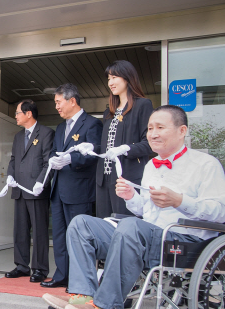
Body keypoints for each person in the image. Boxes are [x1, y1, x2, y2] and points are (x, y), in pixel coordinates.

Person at [42, 105, 225, 309]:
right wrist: (131, 197)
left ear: (182, 130)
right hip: (148, 236)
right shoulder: (151, 165)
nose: (153, 134)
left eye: (160, 128)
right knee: (81, 224)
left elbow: (219, 212)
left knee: (131, 226)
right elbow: (146, 212)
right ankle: (83, 297)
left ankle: (105, 305)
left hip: (183, 241)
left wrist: (179, 201)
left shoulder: (206, 164)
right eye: (149, 128)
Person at [41, 84, 102, 289]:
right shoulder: (60, 128)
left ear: (72, 101)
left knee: (78, 238)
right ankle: (61, 275)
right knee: (58, 235)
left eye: (59, 102)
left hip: (79, 190)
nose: (57, 107)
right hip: (59, 189)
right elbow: (55, 151)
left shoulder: (92, 124)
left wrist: (70, 160)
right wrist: (53, 160)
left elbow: (94, 154)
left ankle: (79, 280)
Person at [96, 60, 153, 218]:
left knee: (124, 226)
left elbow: (150, 144)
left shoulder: (142, 105)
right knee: (104, 227)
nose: (110, 83)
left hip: (125, 179)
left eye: (114, 77)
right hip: (104, 179)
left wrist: (127, 149)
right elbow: (106, 146)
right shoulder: (109, 112)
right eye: (108, 78)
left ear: (127, 77)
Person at [5, 99, 54, 283]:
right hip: (19, 189)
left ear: (28, 114)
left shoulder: (47, 133)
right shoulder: (18, 137)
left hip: (36, 191)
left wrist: (41, 182)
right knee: (20, 230)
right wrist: (10, 175)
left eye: (18, 112)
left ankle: (40, 269)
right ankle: (21, 266)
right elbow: (13, 159)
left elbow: (48, 161)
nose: (15, 116)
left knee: (40, 231)